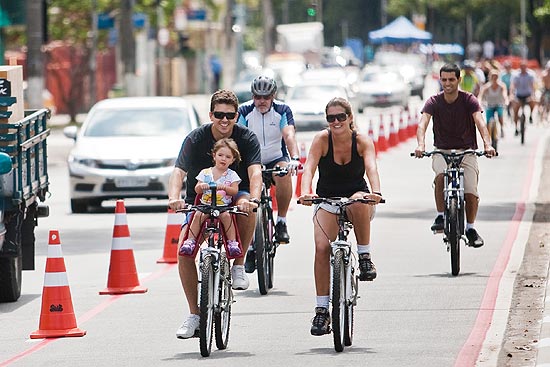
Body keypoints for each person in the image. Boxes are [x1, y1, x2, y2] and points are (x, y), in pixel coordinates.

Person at [168, 89, 262, 339]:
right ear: (211, 114)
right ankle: (194, 315)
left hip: (235, 192)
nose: (224, 120)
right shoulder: (195, 138)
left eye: (229, 115)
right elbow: (178, 172)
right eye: (219, 114)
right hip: (200, 198)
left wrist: (253, 198)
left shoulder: (247, 137)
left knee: (248, 208)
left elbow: (254, 172)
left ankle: (238, 265)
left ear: (236, 116)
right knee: (184, 253)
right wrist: (173, 198)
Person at [297, 97, 383, 336]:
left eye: (340, 117)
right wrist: (306, 192)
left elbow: (372, 168)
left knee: (357, 201)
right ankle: (322, 311)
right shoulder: (322, 140)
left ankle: (364, 257)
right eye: (331, 118)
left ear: (350, 118)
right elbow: (309, 167)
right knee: (322, 248)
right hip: (327, 200)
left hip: (357, 198)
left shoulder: (362, 141)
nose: (336, 122)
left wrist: (375, 192)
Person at [414, 63, 496, 249]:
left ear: (459, 80)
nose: (447, 83)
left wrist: (487, 144)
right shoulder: (433, 101)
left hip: (466, 151)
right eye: (444, 80)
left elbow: (480, 123)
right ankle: (441, 216)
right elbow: (422, 124)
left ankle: (470, 228)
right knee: (440, 176)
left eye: (451, 79)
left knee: (471, 192)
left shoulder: (469, 100)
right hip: (441, 151)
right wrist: (421, 145)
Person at [238, 75, 300, 270]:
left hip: (275, 155)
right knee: (245, 198)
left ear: (273, 95)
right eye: (258, 97)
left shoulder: (282, 110)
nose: (262, 101)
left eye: (266, 97)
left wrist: (295, 158)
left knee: (283, 173)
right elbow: (238, 137)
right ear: (252, 96)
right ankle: (248, 248)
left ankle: (281, 221)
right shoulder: (244, 110)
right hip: (251, 159)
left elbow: (289, 134)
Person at [179, 138, 243, 258]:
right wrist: (201, 186)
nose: (223, 159)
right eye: (220, 155)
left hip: (223, 206)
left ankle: (232, 243)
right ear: (214, 156)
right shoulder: (205, 172)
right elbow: (197, 189)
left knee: (227, 217)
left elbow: (234, 191)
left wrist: (225, 188)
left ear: (233, 160)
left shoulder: (232, 175)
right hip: (206, 205)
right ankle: (190, 241)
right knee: (198, 215)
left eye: (228, 157)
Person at [478, 69, 508, 138]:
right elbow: (480, 95)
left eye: (496, 76)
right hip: (489, 105)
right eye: (493, 76)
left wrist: (506, 100)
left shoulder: (502, 86)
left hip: (499, 104)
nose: (494, 78)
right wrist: (479, 102)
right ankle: (488, 135)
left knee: (500, 115)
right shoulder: (486, 87)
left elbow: (504, 94)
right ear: (490, 77)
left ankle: (502, 128)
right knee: (488, 120)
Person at [510, 60, 537, 133]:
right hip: (519, 95)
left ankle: (531, 115)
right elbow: (513, 86)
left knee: (533, 102)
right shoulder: (516, 75)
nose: (523, 68)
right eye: (522, 66)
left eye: (524, 66)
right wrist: (512, 95)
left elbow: (532, 86)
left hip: (527, 94)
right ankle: (516, 127)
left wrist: (533, 95)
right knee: (515, 110)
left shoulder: (530, 75)